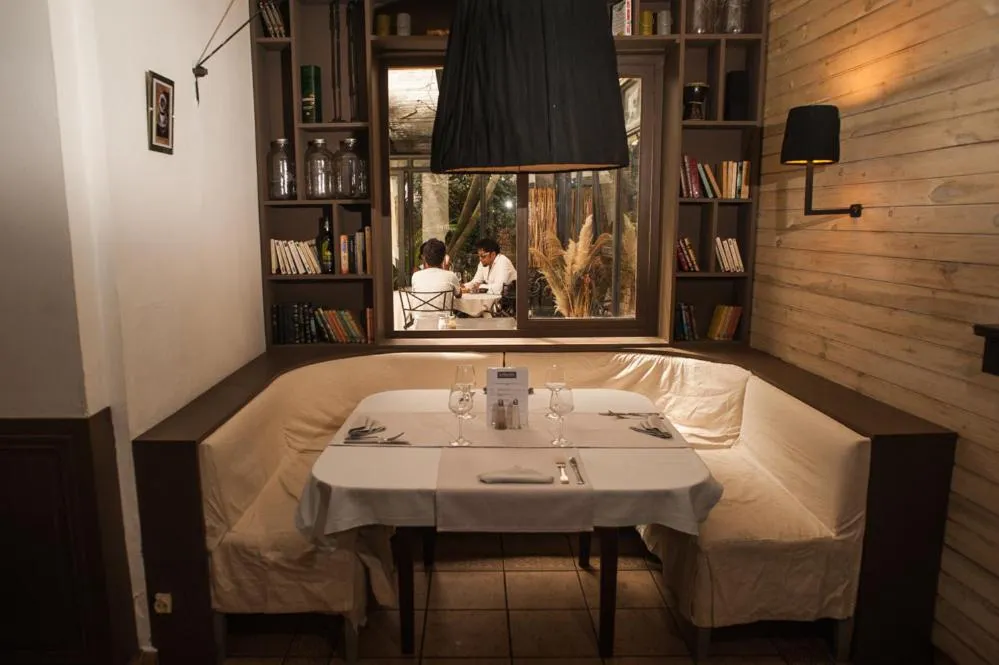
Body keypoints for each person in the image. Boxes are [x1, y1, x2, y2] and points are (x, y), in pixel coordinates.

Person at [409, 238, 460, 320]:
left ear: (424, 258)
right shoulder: (451, 275)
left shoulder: (415, 276)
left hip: (419, 324)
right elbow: (458, 295)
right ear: (444, 258)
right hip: (444, 325)